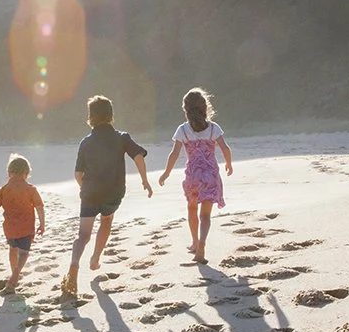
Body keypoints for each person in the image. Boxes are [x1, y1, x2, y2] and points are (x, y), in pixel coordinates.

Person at [62, 94, 151, 295]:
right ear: (111, 115)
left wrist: (86, 190)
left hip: (90, 193)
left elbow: (78, 174)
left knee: (82, 235)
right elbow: (138, 156)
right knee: (106, 221)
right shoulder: (122, 137)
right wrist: (144, 180)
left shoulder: (85, 142)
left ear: (91, 117)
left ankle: (75, 263)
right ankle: (95, 258)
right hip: (113, 193)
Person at [157, 87, 233, 264]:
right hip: (210, 175)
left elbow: (174, 154)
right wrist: (228, 163)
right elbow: (225, 148)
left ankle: (193, 242)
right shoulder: (214, 128)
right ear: (205, 107)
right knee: (205, 215)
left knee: (192, 209)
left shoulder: (183, 130)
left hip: (193, 177)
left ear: (186, 110)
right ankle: (202, 243)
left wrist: (166, 173)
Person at [0, 154, 46, 292]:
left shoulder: (3, 190)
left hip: (10, 228)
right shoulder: (30, 189)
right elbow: (39, 207)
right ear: (26, 173)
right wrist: (42, 223)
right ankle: (15, 275)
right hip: (26, 227)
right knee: (24, 253)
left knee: (13, 249)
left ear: (9, 173)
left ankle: (14, 272)